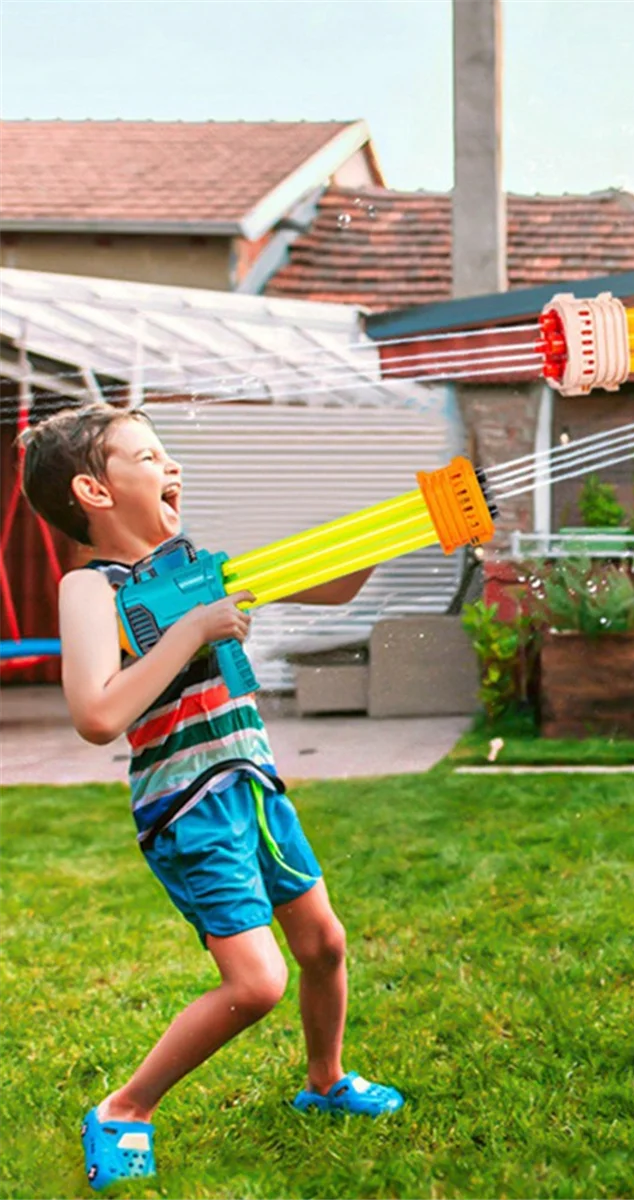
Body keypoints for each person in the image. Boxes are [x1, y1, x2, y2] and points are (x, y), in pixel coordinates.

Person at [20, 404, 403, 1192]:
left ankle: (326, 1081)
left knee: (324, 947)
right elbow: (96, 715)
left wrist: (401, 527)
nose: (173, 467)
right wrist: (194, 630)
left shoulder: (199, 566)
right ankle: (123, 1109)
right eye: (149, 457)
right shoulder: (91, 589)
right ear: (95, 491)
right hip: (189, 806)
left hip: (253, 786)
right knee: (257, 983)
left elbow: (333, 588)